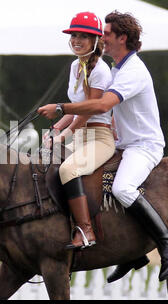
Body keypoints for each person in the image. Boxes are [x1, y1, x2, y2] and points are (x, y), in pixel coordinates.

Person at [38, 11, 168, 281]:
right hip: (122, 143)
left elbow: (102, 105)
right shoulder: (116, 68)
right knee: (95, 184)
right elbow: (91, 103)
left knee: (122, 188)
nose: (101, 38)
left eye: (105, 34)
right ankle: (134, 253)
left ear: (123, 37)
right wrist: (60, 127)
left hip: (143, 145)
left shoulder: (133, 71)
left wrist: (60, 109)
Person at [43, 12, 115, 250]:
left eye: (84, 36)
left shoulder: (101, 70)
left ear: (95, 41)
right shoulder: (75, 66)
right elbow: (73, 109)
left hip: (100, 138)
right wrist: (54, 129)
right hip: (80, 136)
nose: (77, 40)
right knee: (42, 163)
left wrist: (65, 135)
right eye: (74, 35)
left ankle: (86, 230)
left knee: (69, 169)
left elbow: (88, 111)